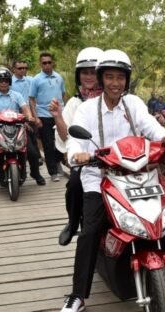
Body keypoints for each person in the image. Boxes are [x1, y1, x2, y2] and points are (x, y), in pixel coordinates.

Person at [59, 49, 165, 312]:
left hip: (137, 175)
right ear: (101, 79)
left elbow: (150, 126)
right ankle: (78, 295)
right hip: (100, 176)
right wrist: (77, 154)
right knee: (90, 230)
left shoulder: (133, 104)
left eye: (120, 77)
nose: (115, 82)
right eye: (109, 77)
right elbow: (75, 139)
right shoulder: (86, 109)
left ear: (126, 79)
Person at [51, 47, 104, 245]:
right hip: (86, 162)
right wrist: (57, 116)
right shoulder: (75, 103)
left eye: (93, 71)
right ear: (78, 75)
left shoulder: (116, 99)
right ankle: (73, 222)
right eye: (85, 72)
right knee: (74, 184)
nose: (89, 77)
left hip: (116, 159)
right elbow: (67, 138)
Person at [0, 68, 36, 195]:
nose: (3, 83)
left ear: (9, 82)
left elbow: (25, 109)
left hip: (17, 129)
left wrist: (29, 117)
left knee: (32, 152)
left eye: (5, 80)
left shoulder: (17, 96)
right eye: (0, 81)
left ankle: (37, 174)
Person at [30, 52, 67, 182]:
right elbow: (32, 99)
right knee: (48, 144)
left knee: (61, 141)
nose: (47, 65)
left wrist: (65, 110)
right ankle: (53, 172)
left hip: (59, 115)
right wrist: (36, 117)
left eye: (49, 62)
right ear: (40, 64)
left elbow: (63, 94)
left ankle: (58, 163)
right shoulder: (36, 79)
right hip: (43, 115)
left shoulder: (59, 77)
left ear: (52, 63)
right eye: (44, 63)